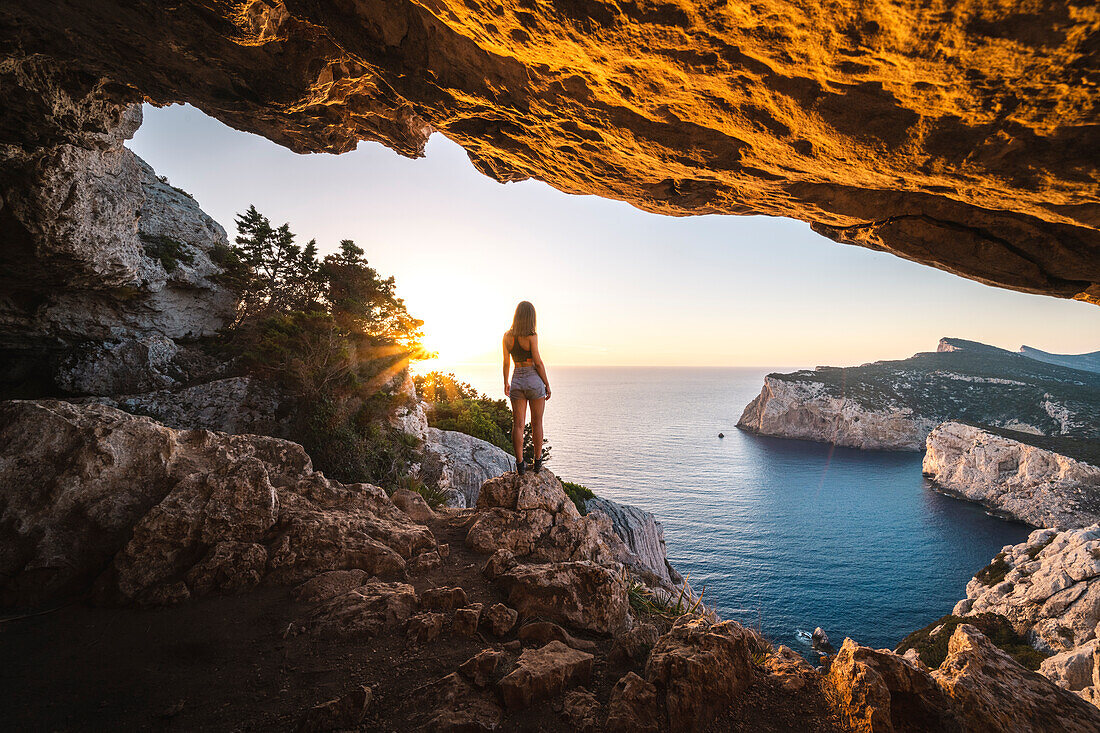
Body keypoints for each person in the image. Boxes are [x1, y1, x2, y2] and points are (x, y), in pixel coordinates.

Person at [503, 300, 551, 475]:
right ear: (531, 317)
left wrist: (505, 382)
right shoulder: (532, 336)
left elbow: (506, 362)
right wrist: (546, 383)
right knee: (537, 422)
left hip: (517, 380)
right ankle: (537, 462)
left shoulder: (507, 337)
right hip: (533, 380)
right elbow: (538, 362)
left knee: (518, 426)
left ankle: (520, 465)